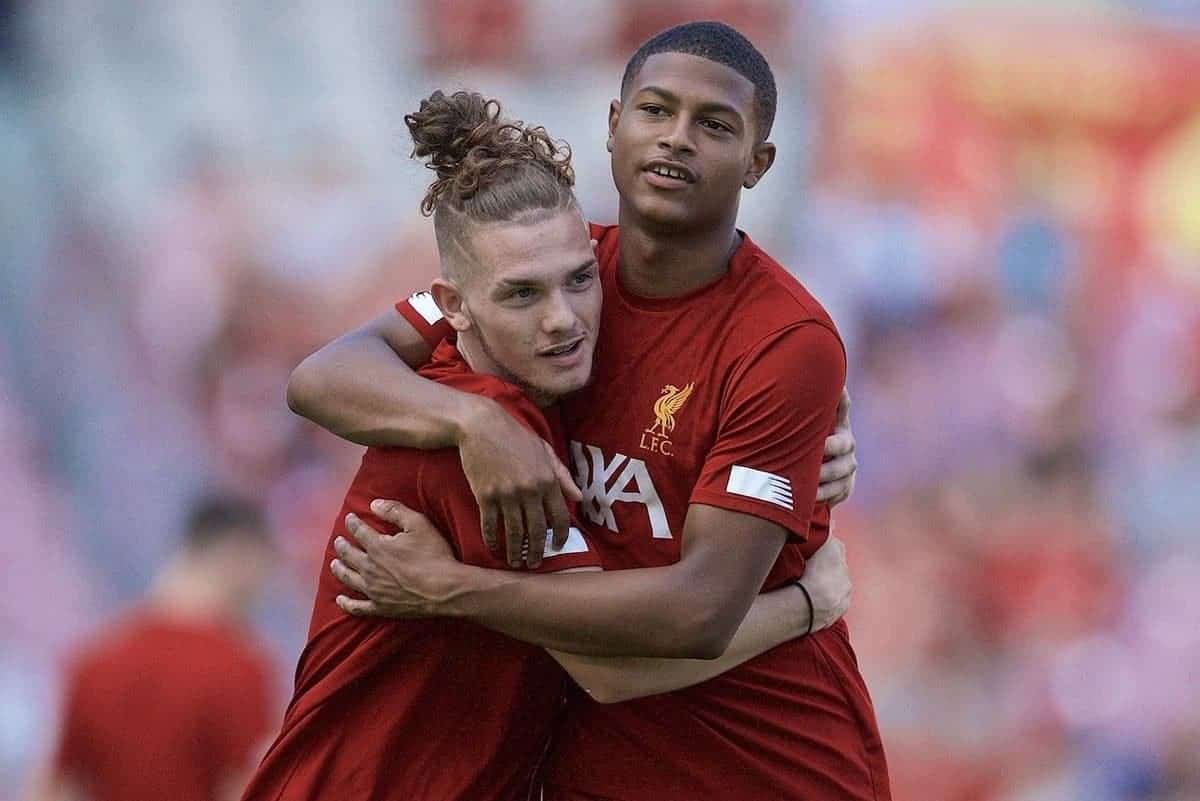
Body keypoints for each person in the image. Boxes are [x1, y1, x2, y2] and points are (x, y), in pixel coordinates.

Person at [296, 21, 887, 801]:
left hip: (767, 769)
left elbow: (698, 613)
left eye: (714, 125)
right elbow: (324, 373)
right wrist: (474, 424)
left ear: (758, 161)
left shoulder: (781, 343)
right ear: (614, 125)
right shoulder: (554, 282)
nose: (676, 139)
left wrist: (450, 589)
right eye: (655, 110)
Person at [27, 494, 277, 801]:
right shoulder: (240, 669)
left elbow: (49, 789)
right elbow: (249, 790)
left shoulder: (93, 661)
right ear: (239, 556)